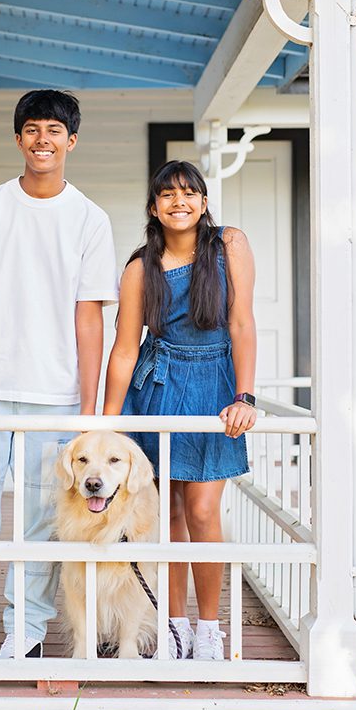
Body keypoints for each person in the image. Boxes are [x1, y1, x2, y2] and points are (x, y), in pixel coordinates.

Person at [0, 89, 119, 660]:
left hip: (56, 396)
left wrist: (88, 409)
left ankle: (27, 632)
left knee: (41, 522)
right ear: (18, 139)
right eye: (32, 129)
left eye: (54, 131)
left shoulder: (89, 219)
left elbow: (90, 319)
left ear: (71, 141)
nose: (42, 139)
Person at [103, 160, 256, 662]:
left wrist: (245, 396)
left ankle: (208, 627)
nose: (179, 201)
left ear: (204, 202)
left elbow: (241, 323)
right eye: (167, 195)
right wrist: (108, 426)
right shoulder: (138, 268)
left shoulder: (229, 245)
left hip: (215, 386)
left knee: (203, 510)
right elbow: (125, 349)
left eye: (189, 192)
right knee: (165, 511)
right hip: (160, 385)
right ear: (153, 208)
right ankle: (173, 624)